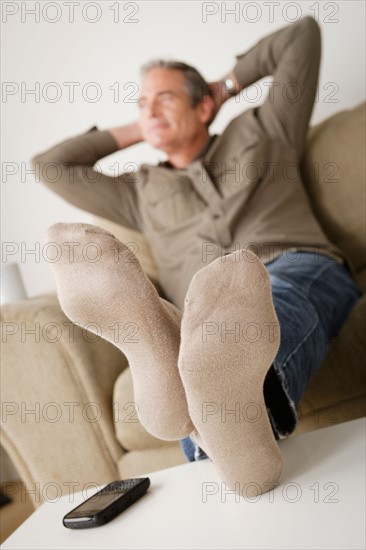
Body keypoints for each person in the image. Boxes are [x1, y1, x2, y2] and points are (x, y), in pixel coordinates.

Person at [33, 16, 361, 497]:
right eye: (142, 102)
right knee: (206, 339)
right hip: (202, 312)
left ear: (203, 104)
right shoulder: (138, 192)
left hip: (296, 264)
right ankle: (212, 405)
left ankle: (194, 392)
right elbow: (51, 166)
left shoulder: (266, 129)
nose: (150, 109)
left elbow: (302, 35)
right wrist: (148, 124)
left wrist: (225, 88)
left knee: (269, 301)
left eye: (165, 97)